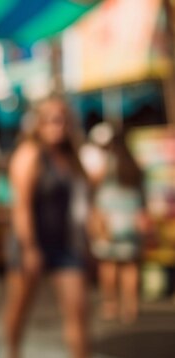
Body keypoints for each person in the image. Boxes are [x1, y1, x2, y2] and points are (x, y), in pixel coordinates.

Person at [4, 97, 90, 358]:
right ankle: (13, 352)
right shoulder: (29, 153)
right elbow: (21, 206)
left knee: (79, 309)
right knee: (20, 308)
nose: (58, 124)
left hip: (64, 244)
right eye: (51, 118)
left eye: (63, 118)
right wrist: (30, 248)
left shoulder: (70, 157)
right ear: (38, 123)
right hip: (31, 242)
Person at [86, 123, 147, 324]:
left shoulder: (106, 164)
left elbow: (93, 188)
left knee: (109, 264)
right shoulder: (135, 163)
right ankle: (131, 307)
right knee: (129, 265)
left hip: (109, 220)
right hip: (130, 220)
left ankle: (110, 305)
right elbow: (142, 193)